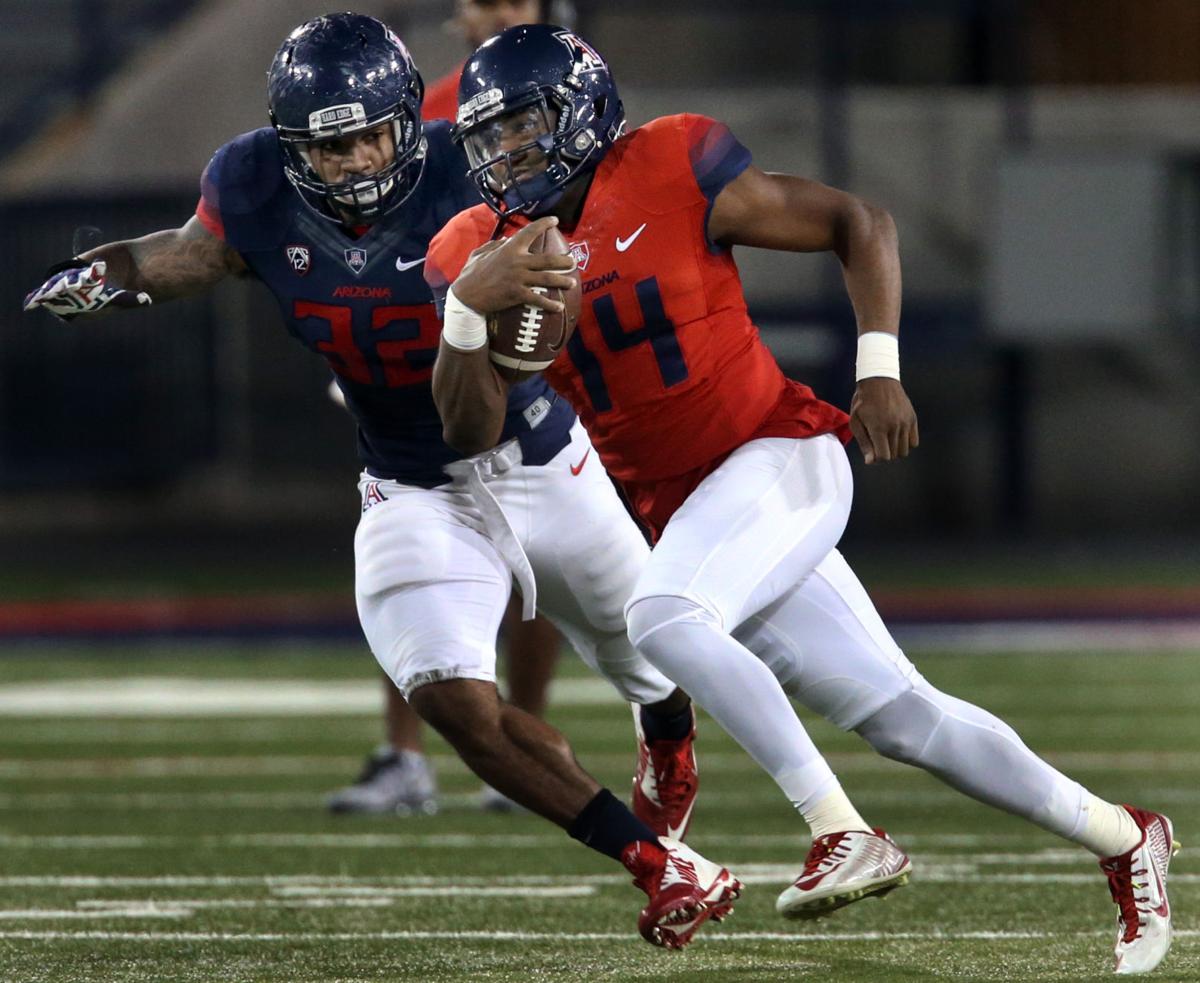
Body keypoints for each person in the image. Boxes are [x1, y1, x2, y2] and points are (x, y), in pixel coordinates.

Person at [425, 24, 1180, 975]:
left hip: (779, 452)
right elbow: (464, 426)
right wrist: (466, 314)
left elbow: (859, 222)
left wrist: (879, 368)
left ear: (581, 113)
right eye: (490, 136)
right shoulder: (475, 247)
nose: (509, 154)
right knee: (907, 717)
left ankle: (838, 827)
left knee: (662, 615)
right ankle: (1125, 836)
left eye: (527, 126)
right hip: (694, 510)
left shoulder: (671, 163)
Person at [22, 13, 733, 950]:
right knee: (449, 695)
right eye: (331, 143)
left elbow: (570, 260)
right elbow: (196, 252)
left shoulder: (466, 167)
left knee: (649, 654)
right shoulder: (254, 185)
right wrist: (110, 270)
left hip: (540, 459)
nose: (357, 159)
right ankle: (657, 862)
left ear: (409, 119)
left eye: (373, 134)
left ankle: (668, 735)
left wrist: (535, 319)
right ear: (290, 148)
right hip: (411, 482)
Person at [329, 0, 577, 818]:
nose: (497, 12)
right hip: (425, 344)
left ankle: (522, 739)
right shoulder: (422, 105)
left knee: (538, 555)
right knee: (409, 539)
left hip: (537, 337)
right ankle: (405, 753)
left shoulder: (572, 89)